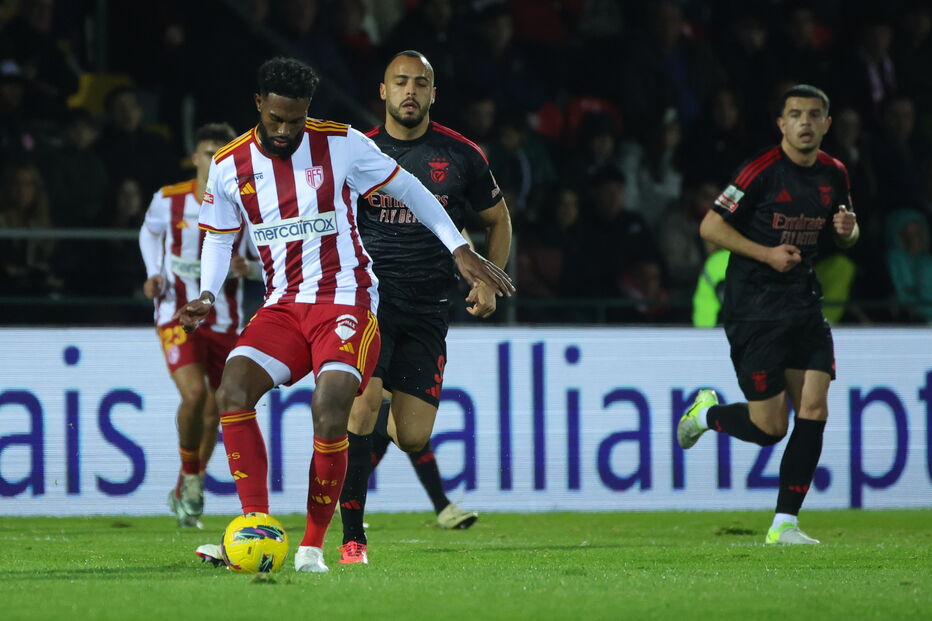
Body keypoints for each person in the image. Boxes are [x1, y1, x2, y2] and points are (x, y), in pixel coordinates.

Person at [175, 57, 513, 573]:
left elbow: (410, 190)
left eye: (297, 118)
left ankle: (313, 546)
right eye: (278, 119)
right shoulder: (228, 165)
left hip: (347, 299)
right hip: (284, 305)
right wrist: (206, 292)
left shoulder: (342, 142)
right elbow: (218, 238)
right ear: (259, 105)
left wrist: (458, 249)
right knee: (233, 389)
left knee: (332, 407)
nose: (287, 130)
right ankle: (256, 528)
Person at [337, 50, 513, 565]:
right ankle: (352, 537)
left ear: (434, 93)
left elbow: (497, 220)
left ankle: (343, 458)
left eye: (420, 83)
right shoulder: (357, 152)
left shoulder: (461, 156)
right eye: (400, 82)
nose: (409, 91)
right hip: (369, 301)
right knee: (364, 404)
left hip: (430, 306)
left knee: (411, 434)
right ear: (383, 91)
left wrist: (489, 280)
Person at [677, 85, 859, 545]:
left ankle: (785, 524)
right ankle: (707, 416)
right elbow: (710, 226)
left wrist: (849, 232)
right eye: (795, 114)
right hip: (754, 309)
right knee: (769, 428)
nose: (804, 122)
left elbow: (845, 234)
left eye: (814, 115)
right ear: (781, 123)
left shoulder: (835, 174)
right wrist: (766, 254)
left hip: (803, 303)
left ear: (826, 124)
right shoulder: (761, 171)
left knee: (814, 407)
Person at [138, 122, 257, 528]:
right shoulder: (168, 200)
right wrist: (153, 271)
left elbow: (270, 254)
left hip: (225, 320)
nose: (215, 160)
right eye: (209, 152)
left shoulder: (246, 203)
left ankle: (190, 483)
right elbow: (149, 233)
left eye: (222, 153)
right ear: (195, 157)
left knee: (215, 412)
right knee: (193, 397)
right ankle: (191, 479)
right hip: (175, 311)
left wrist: (251, 268)